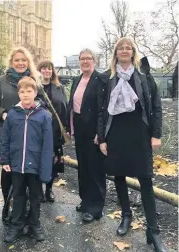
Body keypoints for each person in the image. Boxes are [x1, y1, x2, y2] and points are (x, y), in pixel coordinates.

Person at [97, 37, 166, 252]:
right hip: (116, 133)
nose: (124, 50)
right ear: (116, 53)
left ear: (133, 53)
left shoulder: (144, 77)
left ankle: (153, 230)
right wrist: (102, 137)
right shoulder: (109, 79)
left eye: (128, 48)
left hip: (139, 134)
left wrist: (156, 135)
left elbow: (156, 106)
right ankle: (126, 215)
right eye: (121, 48)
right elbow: (102, 111)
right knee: (119, 175)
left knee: (145, 178)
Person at [0, 47, 39, 223]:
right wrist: (2, 114)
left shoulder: (34, 81)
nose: (20, 63)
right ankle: (8, 205)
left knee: (27, 173)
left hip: (29, 136)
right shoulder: (1, 81)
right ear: (11, 62)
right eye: (17, 60)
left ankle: (23, 208)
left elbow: (42, 105)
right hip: (6, 134)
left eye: (23, 60)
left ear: (28, 62)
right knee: (8, 172)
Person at [1, 76, 53, 243]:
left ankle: (34, 224)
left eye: (29, 91)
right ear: (18, 94)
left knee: (36, 197)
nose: (25, 95)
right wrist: (5, 160)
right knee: (18, 195)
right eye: (22, 91)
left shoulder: (44, 116)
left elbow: (47, 145)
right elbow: (5, 139)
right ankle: (16, 224)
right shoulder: (12, 114)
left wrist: (46, 169)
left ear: (35, 93)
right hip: (17, 165)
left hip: (35, 165)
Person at [67, 49, 106, 223]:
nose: (85, 61)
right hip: (80, 129)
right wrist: (70, 127)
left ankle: (96, 208)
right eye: (82, 58)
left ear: (94, 61)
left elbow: (103, 109)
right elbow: (72, 105)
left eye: (88, 58)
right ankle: (85, 200)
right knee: (83, 166)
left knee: (95, 169)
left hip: (93, 131)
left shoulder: (100, 80)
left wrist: (101, 132)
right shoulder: (77, 80)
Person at [37, 60, 67, 202]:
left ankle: (49, 189)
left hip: (55, 130)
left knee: (53, 161)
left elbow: (65, 106)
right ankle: (37, 189)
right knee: (38, 159)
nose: (47, 71)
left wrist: (65, 127)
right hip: (38, 129)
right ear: (39, 70)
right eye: (44, 68)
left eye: (49, 69)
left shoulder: (59, 87)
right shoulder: (36, 87)